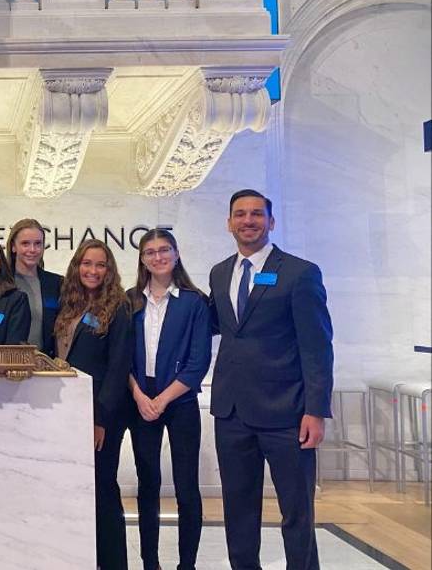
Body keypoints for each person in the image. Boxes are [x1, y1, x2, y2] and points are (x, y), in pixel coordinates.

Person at [208, 189, 333, 570]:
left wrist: (316, 410)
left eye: (257, 214)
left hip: (287, 414)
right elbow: (225, 330)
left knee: (296, 512)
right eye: (240, 214)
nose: (248, 220)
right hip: (231, 413)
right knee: (238, 508)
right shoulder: (219, 272)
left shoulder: (300, 272)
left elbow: (317, 346)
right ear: (229, 223)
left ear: (271, 221)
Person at [126, 229, 211, 570]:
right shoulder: (130, 300)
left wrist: (161, 400)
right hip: (139, 399)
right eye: (150, 252)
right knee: (148, 484)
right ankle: (150, 563)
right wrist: (139, 395)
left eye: (164, 250)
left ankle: (186, 564)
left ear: (176, 255)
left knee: (187, 486)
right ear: (142, 259)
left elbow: (198, 362)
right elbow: (121, 358)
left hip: (179, 402)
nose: (157, 257)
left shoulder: (194, 302)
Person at [53, 239, 133, 570]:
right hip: (68, 411)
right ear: (77, 267)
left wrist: (99, 419)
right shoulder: (69, 304)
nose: (93, 271)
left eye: (100, 265)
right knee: (75, 489)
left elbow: (118, 367)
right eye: (87, 264)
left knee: (102, 489)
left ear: (109, 270)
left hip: (101, 414)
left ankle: (114, 563)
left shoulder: (118, 307)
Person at [6, 218, 64, 356]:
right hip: (7, 365)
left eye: (38, 244)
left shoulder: (57, 283)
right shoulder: (1, 282)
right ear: (13, 246)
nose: (32, 250)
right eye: (25, 244)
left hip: (46, 365)